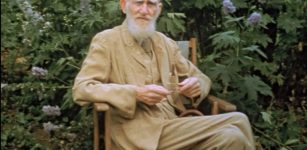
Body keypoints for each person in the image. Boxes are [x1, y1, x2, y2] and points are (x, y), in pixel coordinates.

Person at [72, 0, 256, 149]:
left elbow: (201, 77)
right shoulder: (107, 41)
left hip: (172, 126)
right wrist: (135, 93)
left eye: (151, 4)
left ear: (158, 9)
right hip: (136, 133)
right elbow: (82, 89)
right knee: (239, 119)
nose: (144, 10)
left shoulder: (165, 44)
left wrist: (196, 85)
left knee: (232, 138)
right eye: (138, 3)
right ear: (123, 6)